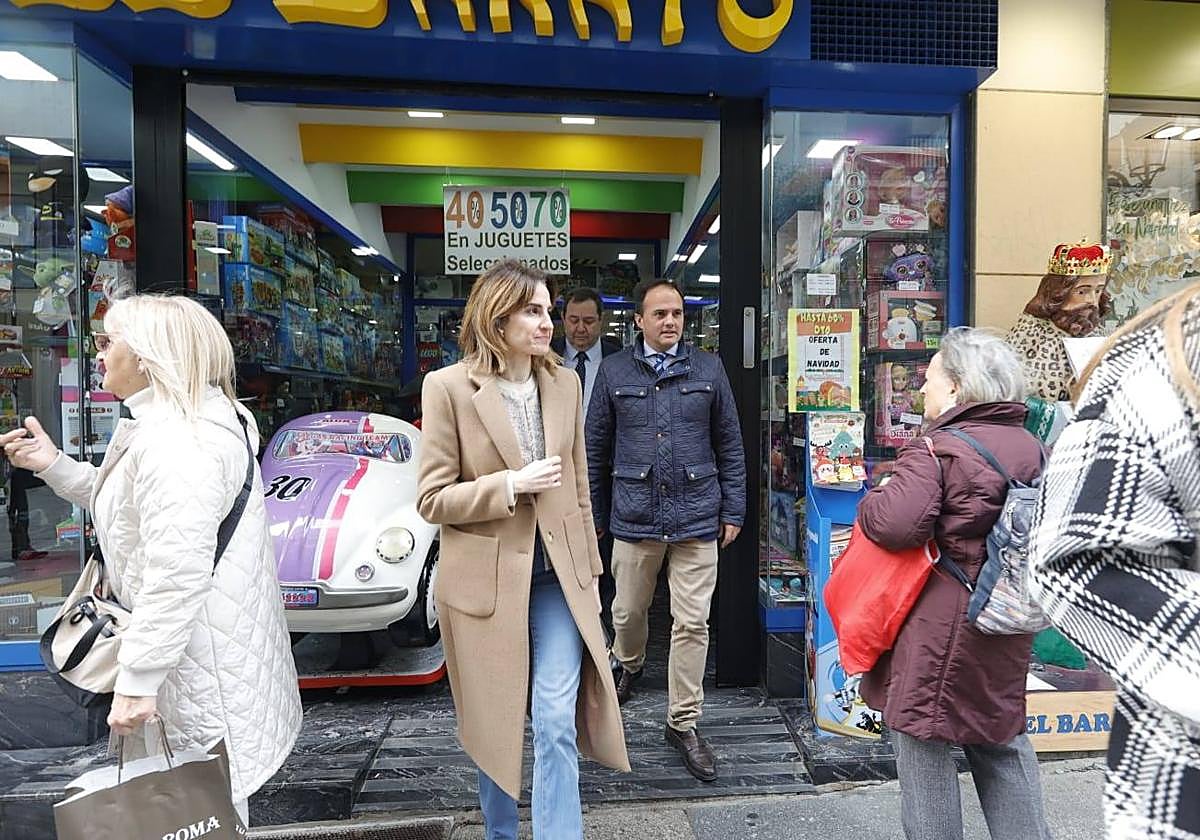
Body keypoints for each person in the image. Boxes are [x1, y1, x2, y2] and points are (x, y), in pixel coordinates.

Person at [0, 295, 301, 826]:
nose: (97, 355)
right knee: (201, 812)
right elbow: (138, 512)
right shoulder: (172, 424)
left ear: (147, 355)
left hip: (193, 668)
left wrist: (139, 681)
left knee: (200, 813)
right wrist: (54, 465)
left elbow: (176, 572)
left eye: (106, 341)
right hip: (193, 656)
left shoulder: (182, 440)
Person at [416, 259, 629, 840]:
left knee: (556, 717)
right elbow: (433, 499)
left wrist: (592, 577)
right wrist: (508, 486)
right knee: (496, 722)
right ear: (497, 315)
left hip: (559, 578)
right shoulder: (449, 388)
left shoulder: (566, 383)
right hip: (484, 583)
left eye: (548, 310)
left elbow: (581, 488)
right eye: (533, 310)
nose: (548, 323)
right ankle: (502, 833)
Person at [855, 327, 1052, 840]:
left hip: (943, 624)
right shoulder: (1034, 446)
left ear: (959, 389)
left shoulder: (938, 450)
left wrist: (875, 496)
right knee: (1001, 740)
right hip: (1006, 616)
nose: (921, 387)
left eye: (932, 377)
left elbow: (895, 525)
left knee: (923, 742)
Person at [1029, 282, 1200, 840]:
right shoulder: (1172, 354)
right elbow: (1082, 558)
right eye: (1082, 294)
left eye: (1098, 295)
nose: (1091, 306)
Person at [586, 278, 746, 782]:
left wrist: (734, 509)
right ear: (638, 320)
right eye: (658, 314)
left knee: (692, 621)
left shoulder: (709, 368)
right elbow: (593, 451)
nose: (670, 321)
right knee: (628, 611)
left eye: (676, 313)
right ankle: (628, 662)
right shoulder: (613, 371)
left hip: (699, 514)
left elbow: (731, 444)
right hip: (634, 516)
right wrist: (594, 515)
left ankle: (683, 721)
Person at [551, 286, 622, 631]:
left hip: (608, 473)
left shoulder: (621, 359)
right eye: (574, 320)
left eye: (590, 321)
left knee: (604, 552)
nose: (581, 329)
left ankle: (600, 625)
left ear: (602, 322)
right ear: (562, 319)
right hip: (553, 470)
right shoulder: (543, 356)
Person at [1006, 240, 1112, 402]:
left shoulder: (1097, 335)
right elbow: (1012, 387)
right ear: (1059, 292)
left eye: (1098, 291)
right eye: (1082, 292)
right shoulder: (1031, 331)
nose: (1092, 300)